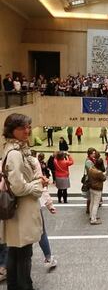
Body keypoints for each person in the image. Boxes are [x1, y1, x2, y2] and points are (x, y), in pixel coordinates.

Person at [1, 113, 46, 290]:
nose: (27, 130)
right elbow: (19, 187)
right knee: (24, 253)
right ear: (12, 130)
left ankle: (14, 286)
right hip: (22, 211)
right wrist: (37, 185)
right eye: (22, 128)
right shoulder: (14, 154)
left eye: (28, 126)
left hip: (20, 211)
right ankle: (25, 286)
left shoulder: (17, 150)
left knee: (15, 251)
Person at [88, 158, 106, 225]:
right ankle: (93, 220)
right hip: (97, 189)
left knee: (92, 203)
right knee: (96, 204)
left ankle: (91, 216)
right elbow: (104, 178)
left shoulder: (90, 169)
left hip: (91, 188)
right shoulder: (99, 172)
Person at [84, 148, 97, 214]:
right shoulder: (89, 161)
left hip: (91, 179)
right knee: (90, 196)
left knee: (91, 196)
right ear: (89, 154)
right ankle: (88, 209)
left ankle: (89, 209)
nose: (94, 154)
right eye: (93, 153)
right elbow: (91, 171)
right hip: (90, 179)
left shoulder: (91, 160)